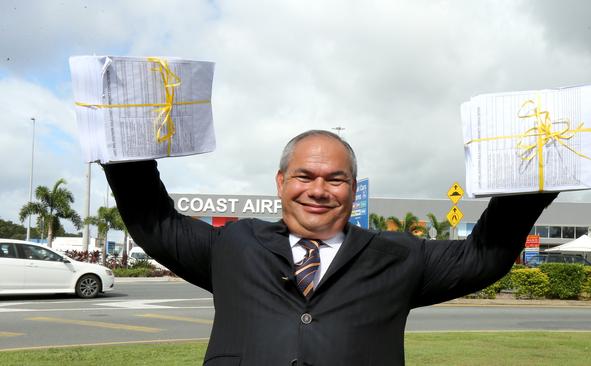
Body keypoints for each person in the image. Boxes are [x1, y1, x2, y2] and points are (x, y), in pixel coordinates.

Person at [104, 130, 557, 365]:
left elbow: (485, 254)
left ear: (351, 187)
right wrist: (124, 142)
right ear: (281, 183)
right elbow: (155, 222)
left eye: (334, 179)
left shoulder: (398, 257)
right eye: (305, 176)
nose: (318, 190)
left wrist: (533, 180)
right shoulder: (235, 245)